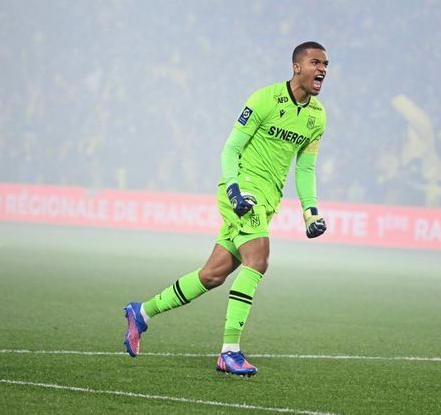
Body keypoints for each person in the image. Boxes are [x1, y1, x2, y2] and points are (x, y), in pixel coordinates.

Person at [123, 41, 329, 377]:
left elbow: (304, 169)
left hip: (268, 199)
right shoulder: (264, 99)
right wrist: (233, 188)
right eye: (315, 62)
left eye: (326, 64)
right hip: (242, 191)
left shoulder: (317, 117)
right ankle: (229, 351)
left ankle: (141, 313)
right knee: (258, 260)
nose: (322, 70)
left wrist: (310, 211)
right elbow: (230, 148)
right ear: (297, 67)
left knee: (212, 275)